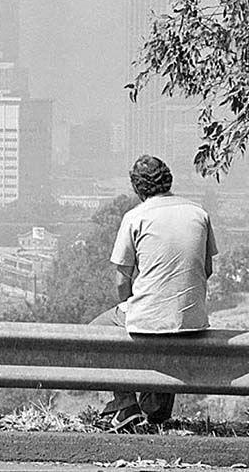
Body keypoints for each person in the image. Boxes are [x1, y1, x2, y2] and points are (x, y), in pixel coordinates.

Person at [90, 154, 217, 432]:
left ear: (137, 188)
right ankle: (157, 411)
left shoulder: (136, 217)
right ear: (168, 180)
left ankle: (125, 406)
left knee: (92, 334)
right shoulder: (199, 213)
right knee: (168, 325)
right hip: (193, 320)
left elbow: (121, 278)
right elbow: (206, 269)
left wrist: (128, 303)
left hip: (149, 319)